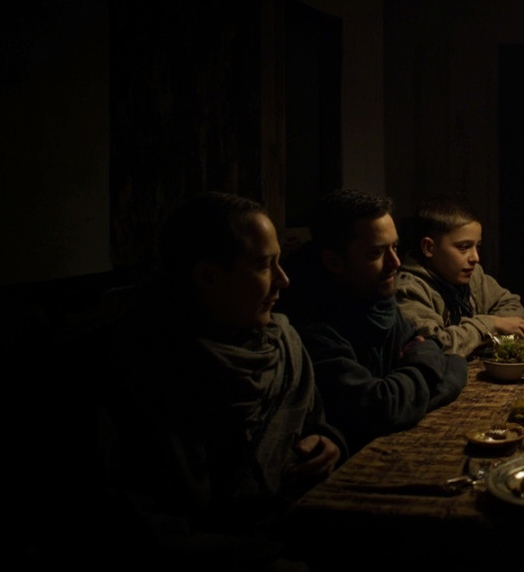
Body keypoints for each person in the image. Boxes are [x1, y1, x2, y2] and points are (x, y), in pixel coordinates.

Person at [69, 192, 344, 570]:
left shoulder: (282, 345)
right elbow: (124, 520)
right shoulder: (130, 367)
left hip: (289, 533)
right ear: (207, 277)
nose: (283, 279)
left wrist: (328, 441)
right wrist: (257, 558)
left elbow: (313, 422)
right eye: (264, 265)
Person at [280, 189, 468, 453]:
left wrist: (416, 379)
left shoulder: (377, 300)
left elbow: (447, 360)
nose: (395, 262)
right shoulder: (312, 324)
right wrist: (430, 361)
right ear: (333, 262)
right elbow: (382, 408)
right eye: (376, 253)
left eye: (395, 247)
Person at [395, 196, 524, 356]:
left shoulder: (473, 274)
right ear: (429, 247)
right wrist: (489, 325)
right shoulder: (408, 290)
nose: (475, 257)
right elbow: (435, 347)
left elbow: (512, 307)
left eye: (477, 246)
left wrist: (474, 335)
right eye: (463, 247)